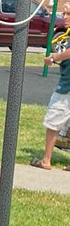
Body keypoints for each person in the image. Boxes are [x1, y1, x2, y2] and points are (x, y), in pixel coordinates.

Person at [31, 36, 70, 169]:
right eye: (64, 13)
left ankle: (46, 160)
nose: (64, 17)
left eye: (68, 14)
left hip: (67, 87)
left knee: (53, 121)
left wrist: (54, 58)